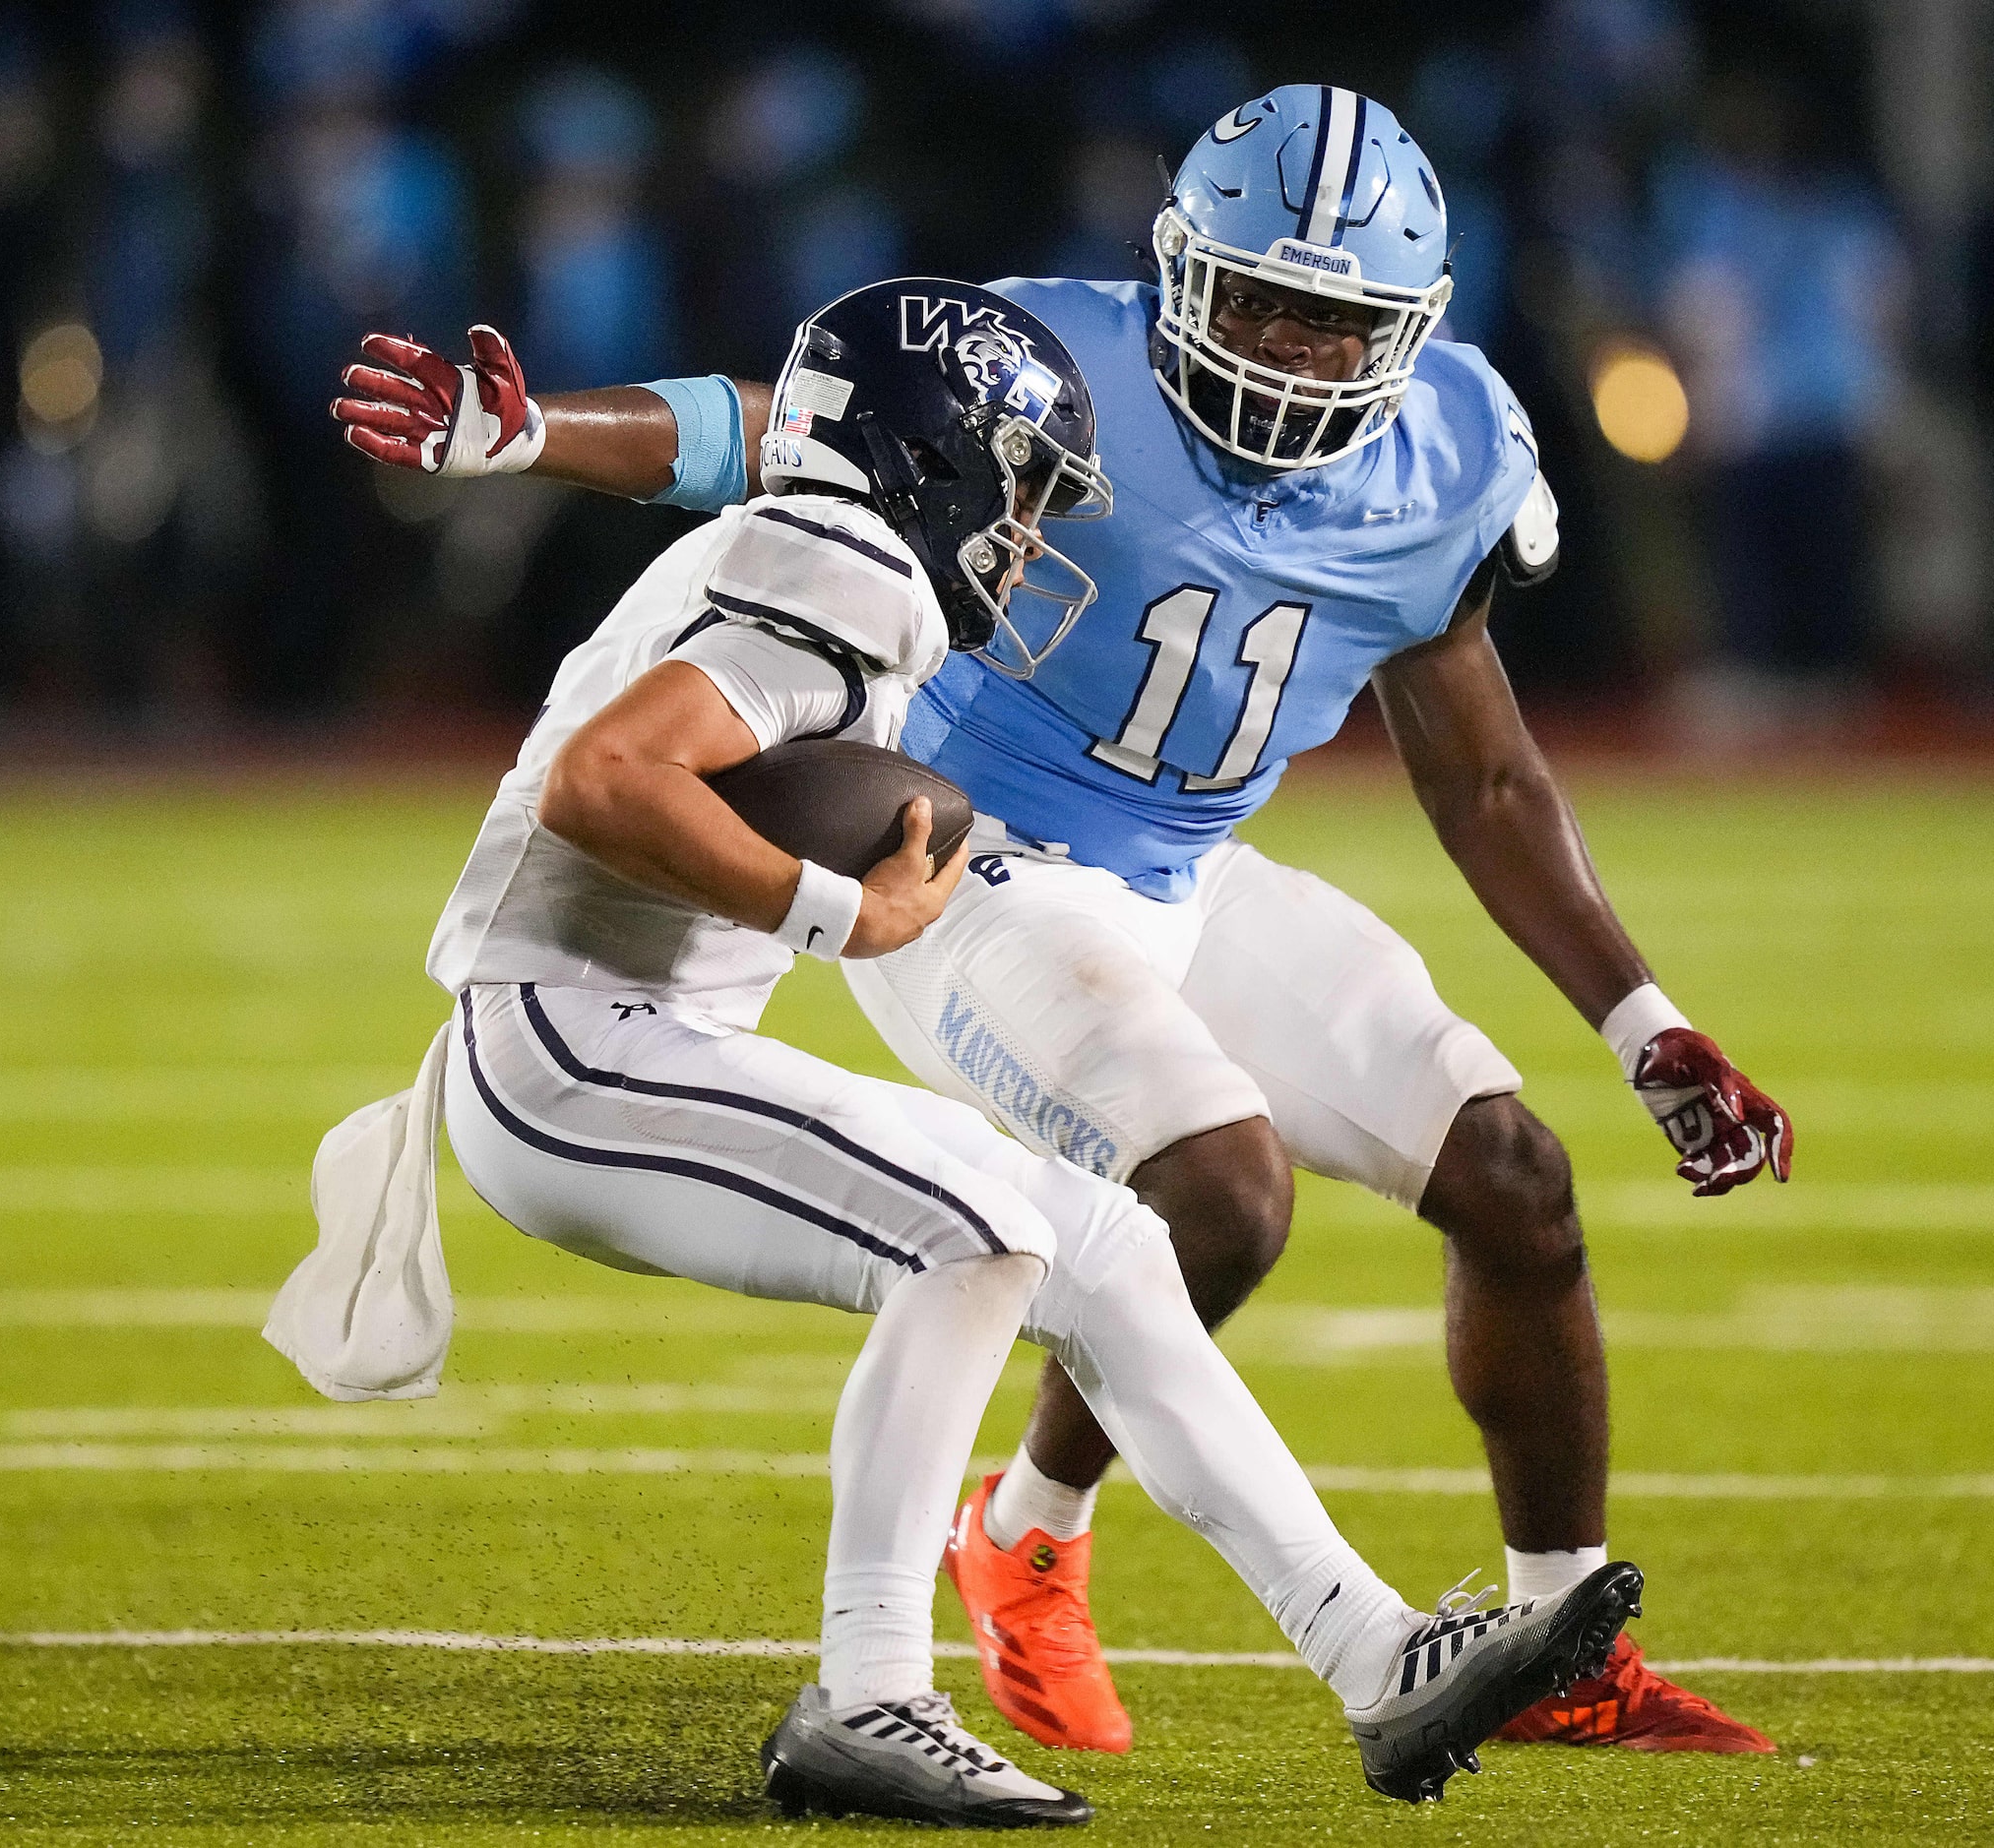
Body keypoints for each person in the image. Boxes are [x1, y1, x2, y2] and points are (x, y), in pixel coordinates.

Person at [330, 85, 1789, 1758]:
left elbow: (1485, 779)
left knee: (1517, 1181)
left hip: (1190, 866)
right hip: (969, 860)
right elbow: (787, 418)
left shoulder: (1453, 449)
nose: (1289, 353)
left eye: (1337, 325)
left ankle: (1558, 1635)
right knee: (1215, 1197)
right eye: (1256, 303)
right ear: (1176, 270)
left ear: (1414, 330)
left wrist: (1640, 1020)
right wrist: (531, 434)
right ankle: (1032, 1543)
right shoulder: (1040, 368)